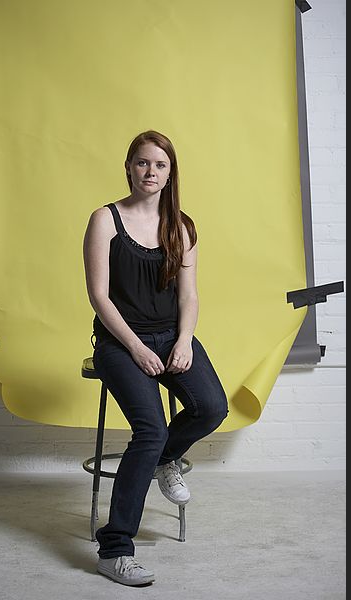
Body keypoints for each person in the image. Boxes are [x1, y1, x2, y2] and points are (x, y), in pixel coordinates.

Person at [83, 129, 229, 586]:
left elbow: (189, 297)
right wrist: (135, 347)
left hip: (171, 336)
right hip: (119, 341)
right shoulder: (105, 220)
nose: (151, 172)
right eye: (143, 163)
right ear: (129, 167)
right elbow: (99, 297)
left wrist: (184, 341)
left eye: (160, 165)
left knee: (211, 407)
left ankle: (167, 460)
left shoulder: (182, 227)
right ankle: (115, 549)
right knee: (150, 430)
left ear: (170, 173)